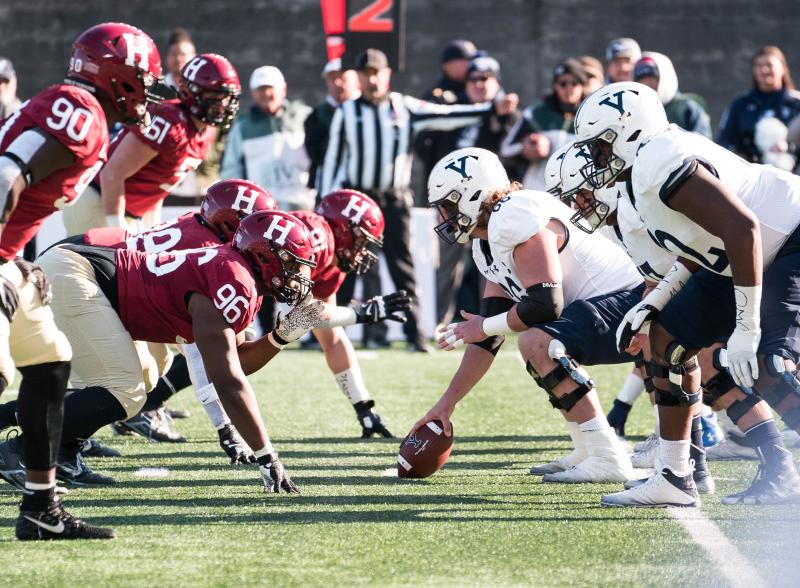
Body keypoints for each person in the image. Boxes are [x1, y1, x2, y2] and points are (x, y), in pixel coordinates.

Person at [571, 81, 800, 506]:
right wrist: (653, 303)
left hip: (788, 238)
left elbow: (742, 226)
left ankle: (783, 472)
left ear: (630, 131)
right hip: (740, 256)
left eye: (601, 146)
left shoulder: (660, 158)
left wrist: (746, 327)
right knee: (667, 339)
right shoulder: (640, 179)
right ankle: (675, 476)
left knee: (767, 362)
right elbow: (700, 247)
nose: (597, 159)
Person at [0, 210, 326, 496]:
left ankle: (64, 450)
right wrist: (267, 456)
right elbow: (227, 380)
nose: (298, 276)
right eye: (292, 263)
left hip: (94, 280)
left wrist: (281, 336)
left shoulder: (238, 272)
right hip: (79, 274)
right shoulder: (234, 279)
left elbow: (236, 361)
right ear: (265, 256)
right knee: (122, 388)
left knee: (146, 376)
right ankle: (18, 450)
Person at [0, 22, 167, 541]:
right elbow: (6, 174)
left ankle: (39, 507)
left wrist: (19, 259)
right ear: (116, 76)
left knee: (50, 365)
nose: (147, 90)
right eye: (142, 78)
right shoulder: (81, 112)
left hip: (10, 259)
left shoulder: (88, 115)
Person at [412, 147, 641, 483]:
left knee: (538, 342)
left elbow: (546, 304)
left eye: (448, 205)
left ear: (474, 193)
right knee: (538, 344)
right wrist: (446, 405)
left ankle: (607, 455)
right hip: (605, 308)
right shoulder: (486, 240)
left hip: (631, 304)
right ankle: (587, 448)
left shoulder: (514, 215)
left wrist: (482, 327)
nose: (444, 218)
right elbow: (488, 335)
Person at [320, 48, 518, 352]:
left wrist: (490, 109)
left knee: (404, 267)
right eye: (366, 74)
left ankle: (413, 334)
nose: (372, 79)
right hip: (358, 199)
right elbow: (332, 159)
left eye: (377, 73)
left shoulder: (404, 106)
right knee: (348, 265)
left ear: (387, 75)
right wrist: (326, 204)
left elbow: (447, 115)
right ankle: (331, 330)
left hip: (394, 197)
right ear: (358, 77)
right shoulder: (346, 111)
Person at [63, 53, 241, 235]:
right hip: (99, 202)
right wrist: (116, 228)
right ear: (192, 91)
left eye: (228, 98)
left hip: (128, 212)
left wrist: (152, 229)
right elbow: (112, 174)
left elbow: (157, 185)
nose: (224, 105)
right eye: (216, 96)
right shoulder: (170, 122)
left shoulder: (206, 132)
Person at [221, 65, 314, 211]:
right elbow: (231, 170)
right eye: (260, 89)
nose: (266, 93)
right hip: (261, 213)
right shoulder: (242, 126)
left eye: (270, 88)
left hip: (304, 208)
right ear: (252, 93)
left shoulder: (305, 117)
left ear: (283, 89)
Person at [500, 59, 585, 190]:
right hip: (538, 190)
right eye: (563, 83)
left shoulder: (589, 115)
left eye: (574, 83)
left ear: (582, 85)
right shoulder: (536, 113)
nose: (569, 88)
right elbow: (506, 149)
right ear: (555, 86)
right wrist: (525, 148)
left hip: (577, 191)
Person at [718, 46, 800, 166]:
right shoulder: (740, 104)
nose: (764, 70)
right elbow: (724, 142)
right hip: (752, 177)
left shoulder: (797, 103)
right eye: (758, 66)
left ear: (783, 69)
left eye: (769, 65)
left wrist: (788, 149)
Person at [304, 59, 360, 194]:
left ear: (356, 79)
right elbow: (316, 153)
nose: (337, 83)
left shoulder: (366, 113)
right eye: (332, 78)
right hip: (327, 187)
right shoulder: (316, 116)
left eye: (342, 77)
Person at [633, 52, 711, 138]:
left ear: (664, 77)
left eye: (652, 78)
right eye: (641, 80)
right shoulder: (634, 112)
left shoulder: (688, 108)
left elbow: (704, 144)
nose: (647, 84)